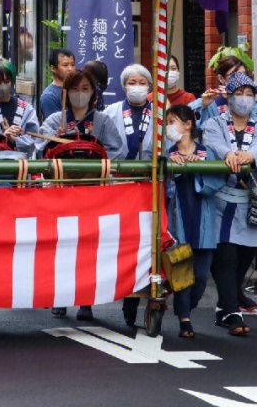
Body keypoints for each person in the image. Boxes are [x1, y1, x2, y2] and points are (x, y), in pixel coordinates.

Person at [39, 68, 124, 320]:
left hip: (92, 192)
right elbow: (38, 149)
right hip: (61, 191)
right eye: (74, 89)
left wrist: (97, 154)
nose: (79, 94)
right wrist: (50, 141)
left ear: (93, 93)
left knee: (88, 247)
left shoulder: (103, 120)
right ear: (65, 93)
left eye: (85, 89)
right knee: (62, 245)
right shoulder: (55, 120)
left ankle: (86, 300)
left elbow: (117, 150)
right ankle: (61, 297)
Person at [202, 72, 257, 336]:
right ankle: (232, 313)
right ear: (228, 97)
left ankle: (224, 305)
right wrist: (228, 153)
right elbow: (212, 140)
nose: (244, 99)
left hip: (247, 200)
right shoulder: (216, 123)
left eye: (249, 94)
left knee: (244, 257)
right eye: (239, 94)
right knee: (226, 257)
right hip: (222, 202)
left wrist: (249, 154)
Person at [103, 63, 165, 324]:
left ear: (149, 87)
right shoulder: (111, 112)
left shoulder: (160, 114)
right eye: (132, 82)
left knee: (148, 246)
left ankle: (147, 295)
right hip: (119, 187)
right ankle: (123, 299)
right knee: (122, 244)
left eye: (142, 82)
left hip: (149, 188)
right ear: (124, 85)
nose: (137, 86)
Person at [164, 104, 224, 338]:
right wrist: (173, 168)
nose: (169, 127)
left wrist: (195, 167)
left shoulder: (206, 152)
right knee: (181, 273)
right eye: (168, 122)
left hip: (203, 223)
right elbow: (164, 188)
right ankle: (184, 319)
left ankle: (188, 307)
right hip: (178, 223)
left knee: (200, 276)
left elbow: (216, 183)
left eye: (173, 121)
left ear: (188, 125)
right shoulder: (167, 154)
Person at [197, 52, 257, 130]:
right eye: (233, 75)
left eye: (243, 75)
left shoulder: (250, 100)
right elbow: (199, 128)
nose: (239, 79)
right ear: (221, 78)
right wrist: (202, 106)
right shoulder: (211, 102)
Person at [0, 58, 39, 156]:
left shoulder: (27, 109)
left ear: (12, 81)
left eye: (6, 81)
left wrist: (14, 140)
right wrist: (1, 137)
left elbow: (35, 140)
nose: (2, 86)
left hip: (19, 167)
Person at [39, 48, 75, 121]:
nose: (70, 69)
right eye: (65, 65)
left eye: (72, 64)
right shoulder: (49, 96)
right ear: (53, 68)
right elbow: (53, 127)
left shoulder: (75, 90)